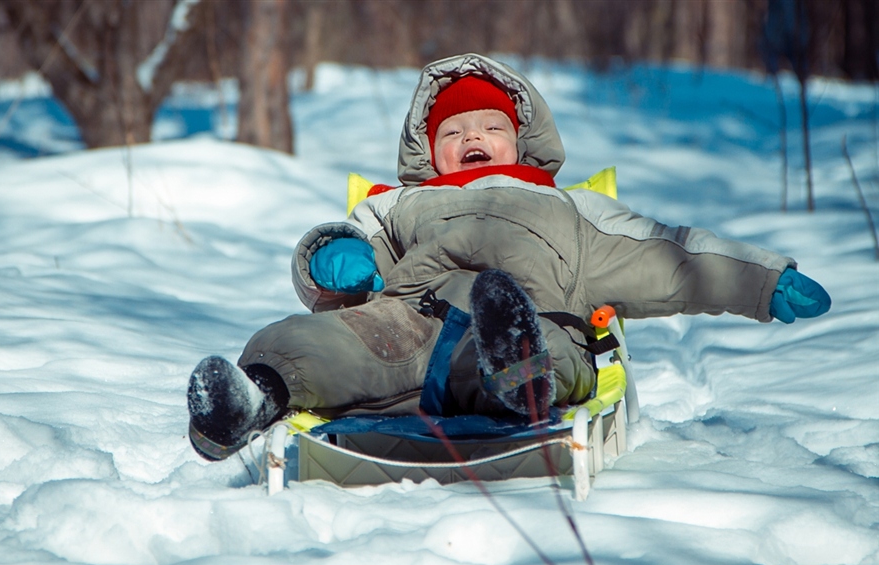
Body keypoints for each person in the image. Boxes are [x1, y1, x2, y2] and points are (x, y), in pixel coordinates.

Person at [186, 53, 830, 462]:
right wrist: (335, 257)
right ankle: (253, 397)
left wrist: (761, 279)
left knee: (535, 341)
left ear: (520, 141)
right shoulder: (396, 204)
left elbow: (667, 253)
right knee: (307, 339)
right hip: (407, 323)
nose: (473, 138)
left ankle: (516, 382)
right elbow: (336, 255)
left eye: (490, 127)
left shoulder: (573, 207)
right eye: (454, 132)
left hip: (531, 316)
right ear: (428, 153)